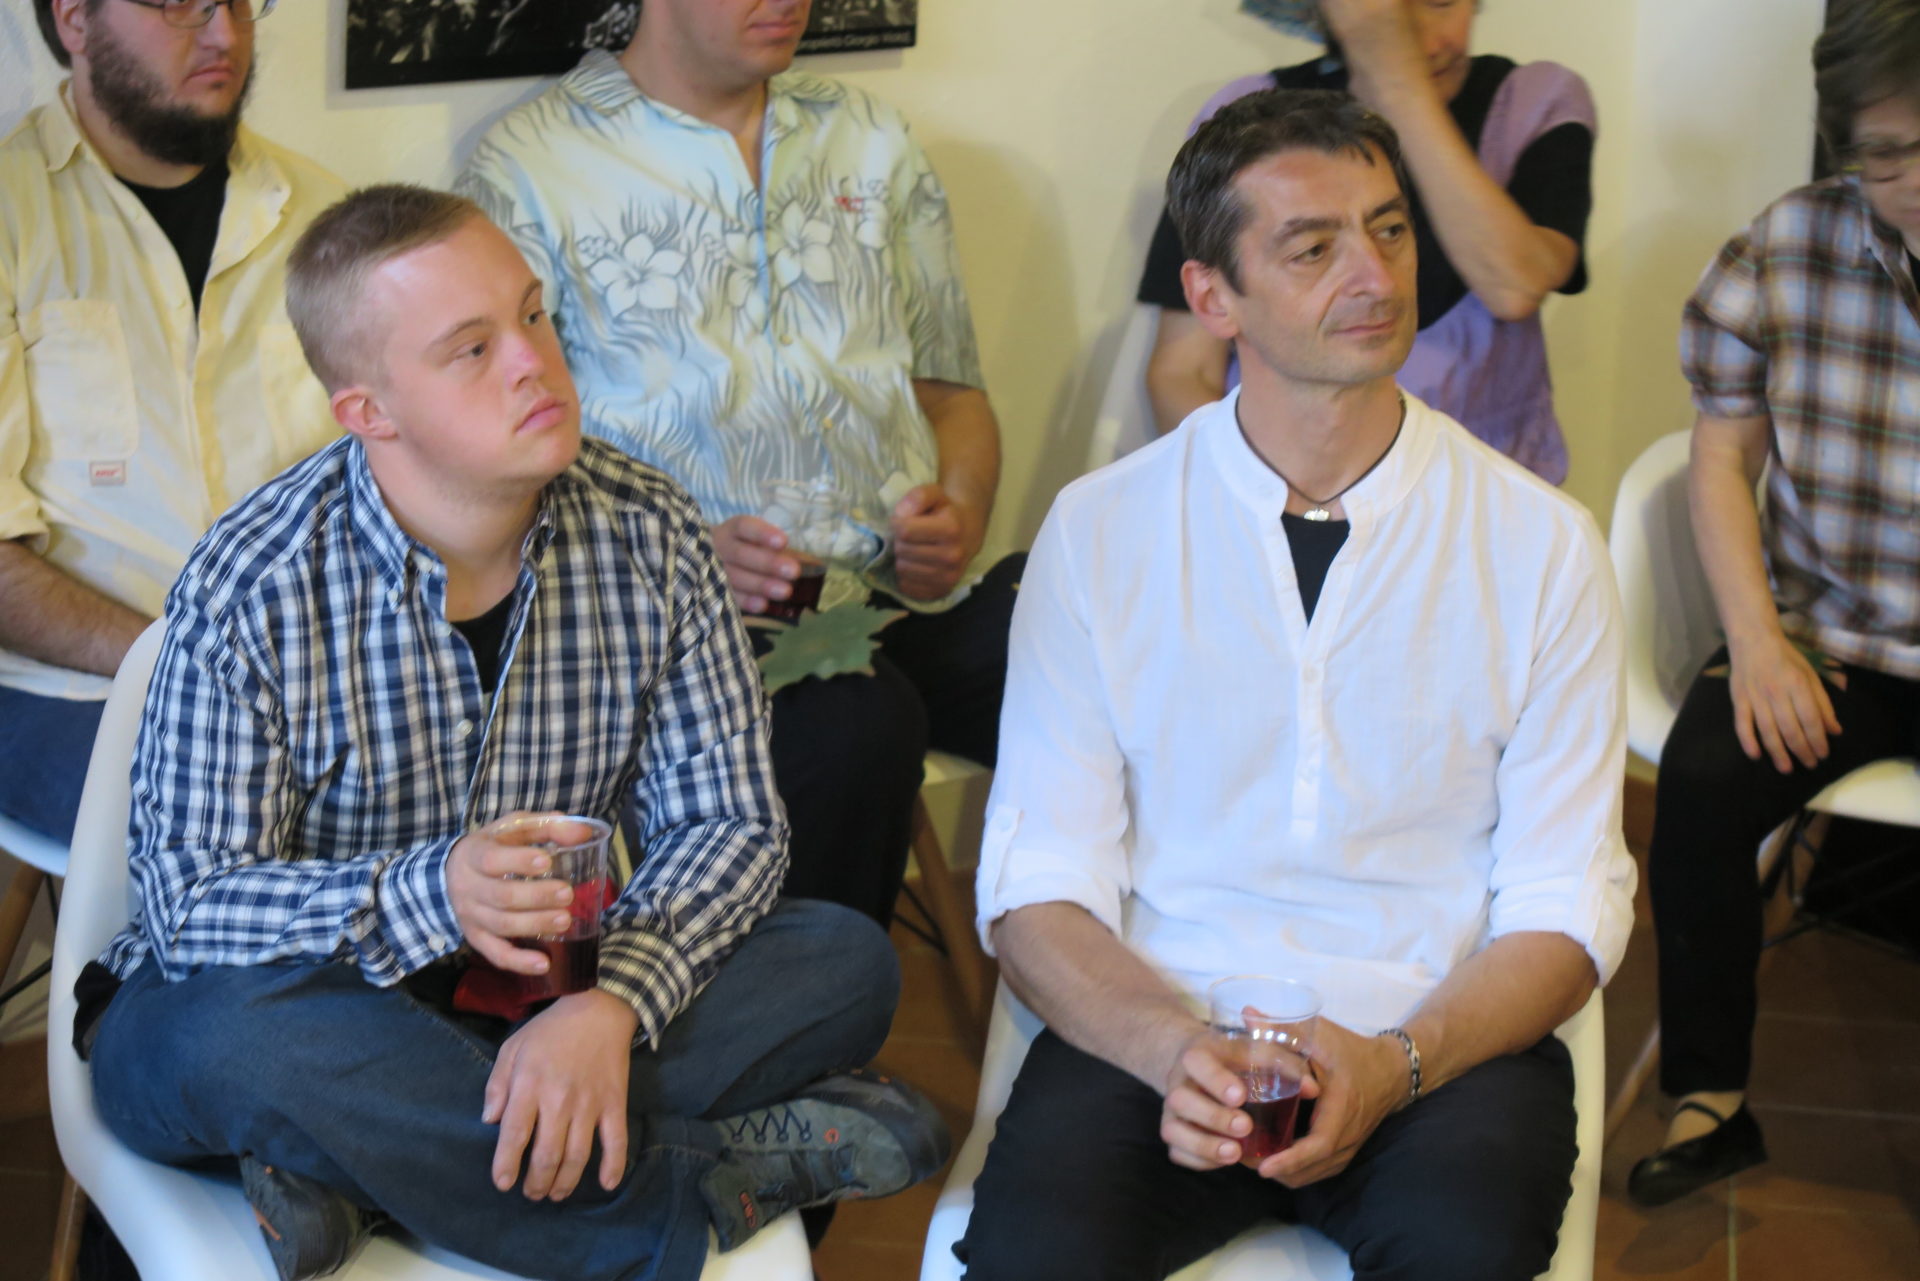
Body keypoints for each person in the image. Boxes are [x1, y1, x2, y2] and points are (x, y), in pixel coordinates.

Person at [77, 185, 948, 1281]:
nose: (535, 362)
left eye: (532, 315)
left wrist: (612, 1003)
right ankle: (690, 1192)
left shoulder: (651, 529)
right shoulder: (255, 578)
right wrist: (434, 892)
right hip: (320, 1011)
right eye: (472, 349)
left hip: (545, 988)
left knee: (843, 961)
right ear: (370, 412)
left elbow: (730, 826)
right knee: (213, 1042)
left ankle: (357, 1171)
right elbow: (188, 907)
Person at [957, 90, 1635, 1281]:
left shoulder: (1543, 544)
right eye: (1312, 248)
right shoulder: (1102, 530)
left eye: (1389, 230)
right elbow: (1037, 882)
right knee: (1031, 1256)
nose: (1373, 274)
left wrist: (1399, 1064)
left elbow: (1564, 907)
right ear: (1212, 297)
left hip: (1435, 1041)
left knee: (1465, 1252)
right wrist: (1167, 1049)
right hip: (1165, 1030)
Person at [456, 0, 1023, 929]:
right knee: (856, 727)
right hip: (696, 630)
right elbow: (494, 449)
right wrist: (678, 549)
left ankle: (1172, 977)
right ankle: (801, 1011)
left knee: (1115, 639)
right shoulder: (532, 164)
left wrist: (957, 514)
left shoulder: (869, 137)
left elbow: (953, 396)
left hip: (893, 595)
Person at [1628, 0, 1920, 1209]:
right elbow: (1719, 459)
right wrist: (1754, 642)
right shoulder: (1789, 247)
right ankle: (1711, 1099)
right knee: (1703, 780)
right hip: (1830, 638)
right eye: (1885, 155)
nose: (1913, 180)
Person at [0, 0, 344, 843]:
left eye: (240, 2)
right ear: (75, 20)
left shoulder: (329, 216)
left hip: (320, 678)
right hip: (78, 685)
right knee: (245, 837)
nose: (226, 33)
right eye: (183, 2)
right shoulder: (13, 216)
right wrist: (186, 665)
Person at [1138, 0, 1594, 483]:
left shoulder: (1535, 102)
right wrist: (1268, 498)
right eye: (1313, 250)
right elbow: (1184, 371)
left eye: (1442, 2)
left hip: (1486, 485)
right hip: (1279, 477)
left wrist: (1397, 88)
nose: (1429, 43)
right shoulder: (1249, 121)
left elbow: (1514, 286)